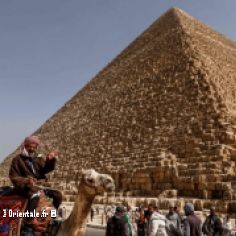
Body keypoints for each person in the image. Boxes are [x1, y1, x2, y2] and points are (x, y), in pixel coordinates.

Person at [9, 135, 62, 213]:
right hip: (23, 188)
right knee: (35, 196)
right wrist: (27, 181)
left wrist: (50, 160)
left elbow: (45, 169)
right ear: (25, 146)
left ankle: (53, 216)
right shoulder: (17, 159)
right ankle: (29, 220)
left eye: (34, 147)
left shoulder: (37, 158)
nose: (32, 149)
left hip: (36, 187)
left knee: (58, 195)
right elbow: (13, 177)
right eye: (30, 147)